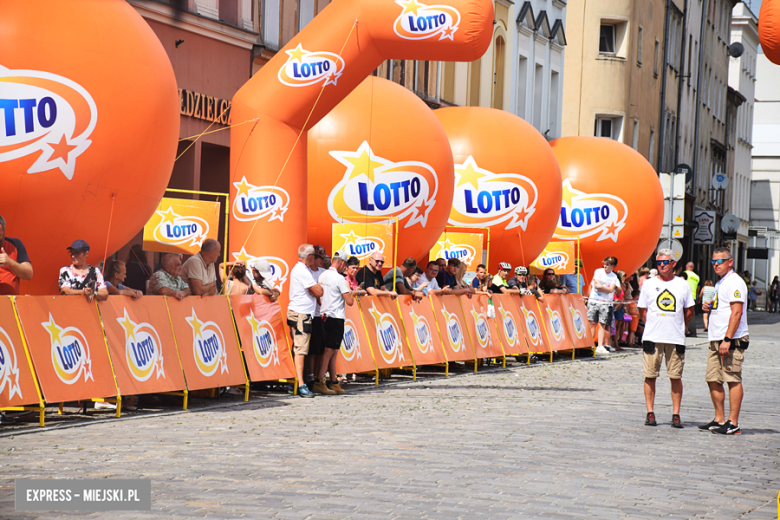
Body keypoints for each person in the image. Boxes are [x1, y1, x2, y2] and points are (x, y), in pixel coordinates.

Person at [637, 249, 694, 428]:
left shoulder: (682, 284)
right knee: (650, 375)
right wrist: (653, 325)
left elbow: (690, 311)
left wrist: (678, 324)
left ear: (673, 264)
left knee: (675, 376)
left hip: (675, 337)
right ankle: (650, 412)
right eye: (659, 262)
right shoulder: (648, 284)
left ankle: (676, 414)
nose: (662, 265)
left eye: (665, 262)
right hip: (653, 336)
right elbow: (642, 310)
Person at [700, 247, 749, 435]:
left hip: (731, 338)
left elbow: (736, 313)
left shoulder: (735, 282)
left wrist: (727, 339)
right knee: (712, 378)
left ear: (730, 262)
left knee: (732, 378)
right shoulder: (720, 283)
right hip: (716, 337)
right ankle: (719, 419)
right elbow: (722, 308)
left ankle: (733, 422)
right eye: (713, 262)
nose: (715, 265)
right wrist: (708, 305)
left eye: (719, 261)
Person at [314, 250, 355, 395]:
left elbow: (319, 297)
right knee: (329, 351)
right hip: (335, 317)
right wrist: (351, 291)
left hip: (324, 315)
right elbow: (350, 302)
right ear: (342, 263)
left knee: (332, 350)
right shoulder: (339, 279)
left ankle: (333, 381)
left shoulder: (322, 275)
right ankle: (319, 380)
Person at [287, 244, 324, 398]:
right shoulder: (302, 271)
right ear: (310, 256)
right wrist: (317, 288)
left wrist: (316, 289)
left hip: (301, 313)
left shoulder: (301, 270)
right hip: (301, 314)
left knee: (300, 349)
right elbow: (319, 291)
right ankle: (301, 384)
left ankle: (298, 382)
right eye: (314, 255)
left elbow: (317, 290)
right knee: (301, 350)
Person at [306, 245, 328, 390]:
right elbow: (315, 292)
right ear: (312, 257)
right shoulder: (307, 271)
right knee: (312, 349)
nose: (321, 260)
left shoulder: (323, 272)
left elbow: (324, 292)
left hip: (322, 313)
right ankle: (310, 378)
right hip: (311, 313)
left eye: (323, 257)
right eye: (319, 256)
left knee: (321, 348)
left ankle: (320, 377)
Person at [587, 256, 619, 354]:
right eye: (604, 264)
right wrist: (605, 288)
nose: (605, 266)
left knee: (602, 324)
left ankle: (600, 345)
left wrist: (602, 287)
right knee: (592, 323)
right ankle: (589, 344)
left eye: (607, 265)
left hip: (605, 302)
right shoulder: (598, 271)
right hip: (594, 300)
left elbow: (611, 290)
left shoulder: (614, 276)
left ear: (612, 266)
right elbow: (597, 285)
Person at [0, 215, 33, 295]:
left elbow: (28, 274)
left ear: (3, 231)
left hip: (9, 300)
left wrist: (10, 262)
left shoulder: (15, 244)